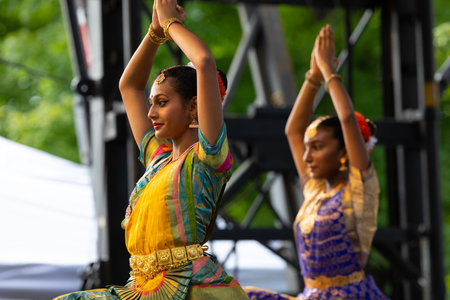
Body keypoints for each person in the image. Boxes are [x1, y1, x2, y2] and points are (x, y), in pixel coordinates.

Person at [54, 0, 249, 299]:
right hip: (143, 287)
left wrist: (173, 25)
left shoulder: (207, 157)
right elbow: (129, 87)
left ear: (194, 107)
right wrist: (154, 33)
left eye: (162, 103)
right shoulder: (157, 160)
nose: (150, 114)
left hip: (189, 289)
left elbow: (204, 62)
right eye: (152, 103)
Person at [245, 25, 389, 299]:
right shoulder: (315, 190)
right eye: (307, 148)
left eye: (318, 147)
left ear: (345, 150)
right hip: (312, 294)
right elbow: (292, 130)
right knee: (240, 294)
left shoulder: (359, 190)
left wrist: (328, 72)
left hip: (351, 294)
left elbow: (346, 119)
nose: (307, 156)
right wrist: (312, 76)